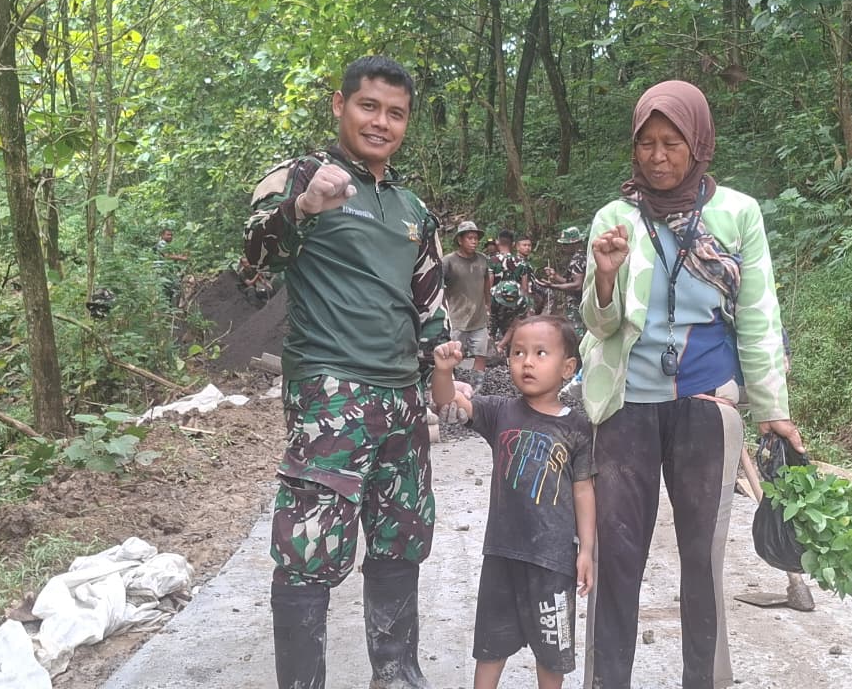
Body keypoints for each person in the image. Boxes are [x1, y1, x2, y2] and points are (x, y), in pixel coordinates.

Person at [579, 80, 804, 689]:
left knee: (703, 556)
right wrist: (605, 277)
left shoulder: (737, 213)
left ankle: (704, 680)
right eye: (646, 143)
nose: (658, 156)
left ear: (699, 143)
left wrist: (771, 408)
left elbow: (758, 315)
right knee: (618, 552)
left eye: (672, 142)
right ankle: (606, 681)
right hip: (625, 402)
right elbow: (598, 325)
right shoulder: (616, 218)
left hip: (706, 403)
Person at [242, 56, 446, 689]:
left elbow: (428, 307)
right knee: (309, 546)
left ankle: (397, 674)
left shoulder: (413, 208)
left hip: (401, 398)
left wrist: (439, 374)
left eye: (395, 113)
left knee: (400, 536)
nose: (381, 122)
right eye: (368, 106)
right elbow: (251, 267)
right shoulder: (300, 178)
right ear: (340, 105)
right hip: (330, 392)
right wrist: (303, 208)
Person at [430, 315, 595, 689]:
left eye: (540, 353)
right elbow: (447, 401)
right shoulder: (500, 411)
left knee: (552, 654)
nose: (527, 362)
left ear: (568, 367)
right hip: (502, 554)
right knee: (490, 647)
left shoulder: (577, 428)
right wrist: (443, 371)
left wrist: (586, 550)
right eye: (518, 353)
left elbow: (583, 489)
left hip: (553, 561)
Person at [442, 220, 493, 390]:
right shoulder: (448, 262)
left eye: (476, 238)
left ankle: (477, 387)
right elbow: (438, 286)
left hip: (479, 317)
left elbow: (486, 283)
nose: (474, 241)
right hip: (456, 318)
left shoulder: (482, 260)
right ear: (460, 240)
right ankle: (449, 385)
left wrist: (488, 304)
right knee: (452, 354)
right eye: (470, 238)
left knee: (481, 354)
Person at [535, 226, 587, 335]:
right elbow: (572, 282)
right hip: (579, 304)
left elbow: (577, 285)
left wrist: (552, 286)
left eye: (566, 244)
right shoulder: (583, 256)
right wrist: (556, 277)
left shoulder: (577, 260)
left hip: (577, 305)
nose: (563, 247)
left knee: (576, 333)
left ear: (574, 244)